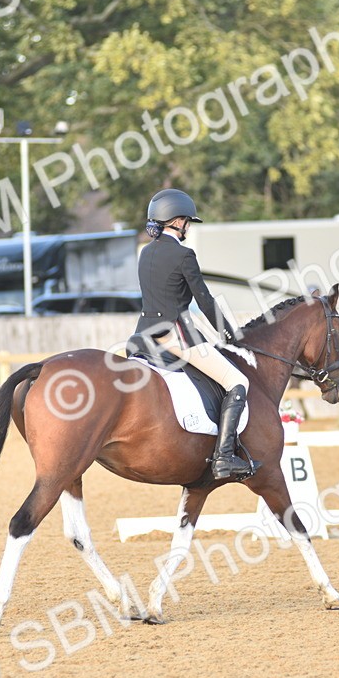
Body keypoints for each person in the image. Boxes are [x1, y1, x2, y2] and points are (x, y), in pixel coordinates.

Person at [132, 188, 260, 481]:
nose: (187, 227)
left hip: (142, 335)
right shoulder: (183, 255)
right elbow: (204, 300)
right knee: (237, 381)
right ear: (177, 221)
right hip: (175, 335)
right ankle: (224, 457)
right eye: (187, 221)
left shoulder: (145, 253)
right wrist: (229, 334)